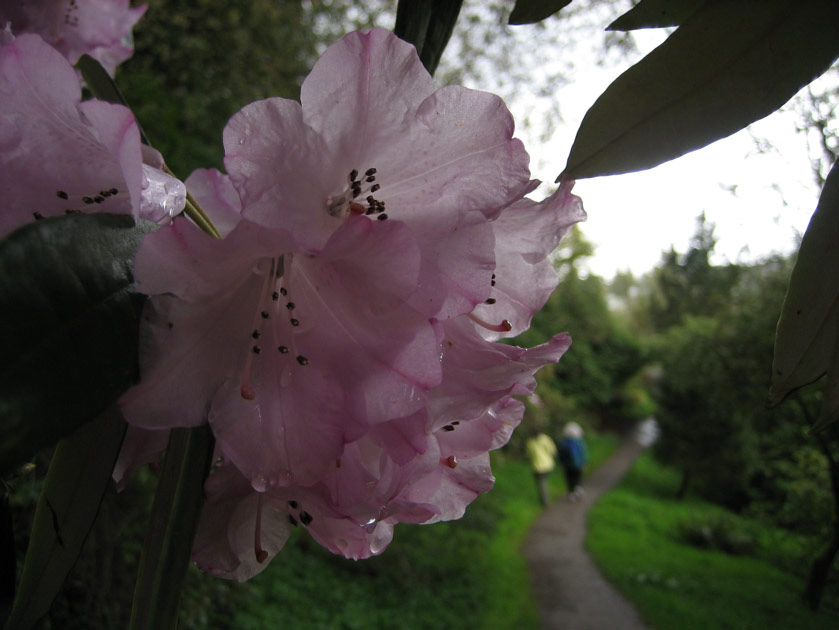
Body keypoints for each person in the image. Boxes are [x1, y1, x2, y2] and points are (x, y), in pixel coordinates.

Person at [526, 430, 557, 507]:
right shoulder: (546, 439)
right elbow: (552, 450)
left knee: (541, 484)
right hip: (548, 464)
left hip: (537, 467)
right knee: (544, 482)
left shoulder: (530, 442)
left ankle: (545, 501)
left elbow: (529, 455)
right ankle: (546, 498)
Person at [558, 422, 587, 500]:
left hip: (568, 465)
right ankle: (578, 489)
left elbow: (561, 454)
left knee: (569, 479)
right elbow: (583, 453)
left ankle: (571, 493)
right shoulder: (579, 442)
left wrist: (561, 463)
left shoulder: (564, 442)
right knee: (577, 478)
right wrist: (584, 462)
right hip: (578, 464)